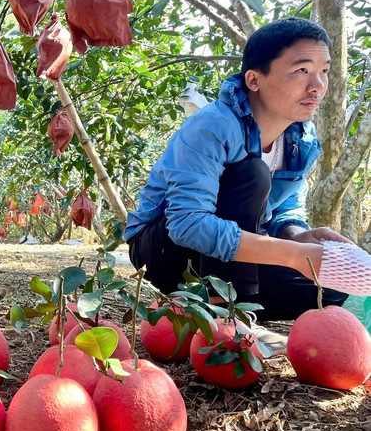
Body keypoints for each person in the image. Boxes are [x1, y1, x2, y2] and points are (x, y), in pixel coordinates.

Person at [124, 17, 351, 322]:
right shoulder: (213, 126)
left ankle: (216, 303)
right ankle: (223, 316)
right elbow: (187, 223)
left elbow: (283, 210)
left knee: (333, 292)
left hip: (231, 256)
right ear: (254, 80)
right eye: (302, 70)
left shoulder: (302, 142)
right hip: (164, 249)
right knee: (252, 174)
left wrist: (296, 235)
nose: (317, 86)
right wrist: (294, 256)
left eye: (324, 71)